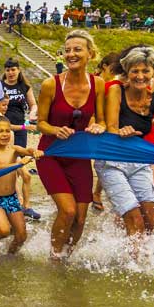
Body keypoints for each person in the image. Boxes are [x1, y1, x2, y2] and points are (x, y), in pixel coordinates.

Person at [98, 46, 154, 243]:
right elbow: (111, 128)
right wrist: (120, 132)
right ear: (126, 72)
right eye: (134, 71)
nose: (140, 76)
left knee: (152, 219)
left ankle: (147, 262)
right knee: (134, 217)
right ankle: (131, 266)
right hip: (113, 161)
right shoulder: (116, 91)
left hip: (139, 161)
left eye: (145, 71)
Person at [35, 30, 106, 260]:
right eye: (67, 50)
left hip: (79, 155)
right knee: (68, 210)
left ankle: (68, 257)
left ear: (90, 53)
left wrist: (99, 126)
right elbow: (40, 123)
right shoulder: (50, 84)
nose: (71, 54)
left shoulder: (99, 84)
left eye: (77, 49)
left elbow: (102, 120)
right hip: (51, 153)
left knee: (81, 218)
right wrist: (55, 129)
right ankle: (54, 257)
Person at [0, 116, 41, 257]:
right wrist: (20, 164)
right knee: (3, 230)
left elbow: (27, 151)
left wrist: (34, 152)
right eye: (0, 131)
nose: (5, 134)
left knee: (22, 236)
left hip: (12, 198)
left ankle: (10, 256)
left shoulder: (13, 149)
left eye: (8, 131)